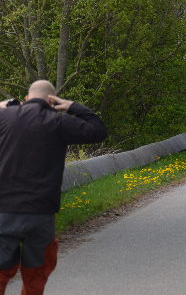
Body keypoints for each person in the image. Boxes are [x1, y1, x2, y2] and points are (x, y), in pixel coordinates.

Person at [0, 80, 108, 295]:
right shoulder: (58, 121)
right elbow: (98, 131)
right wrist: (72, 106)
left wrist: (5, 104)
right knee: (36, 275)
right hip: (41, 213)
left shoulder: (4, 118)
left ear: (28, 98)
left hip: (3, 211)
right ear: (52, 101)